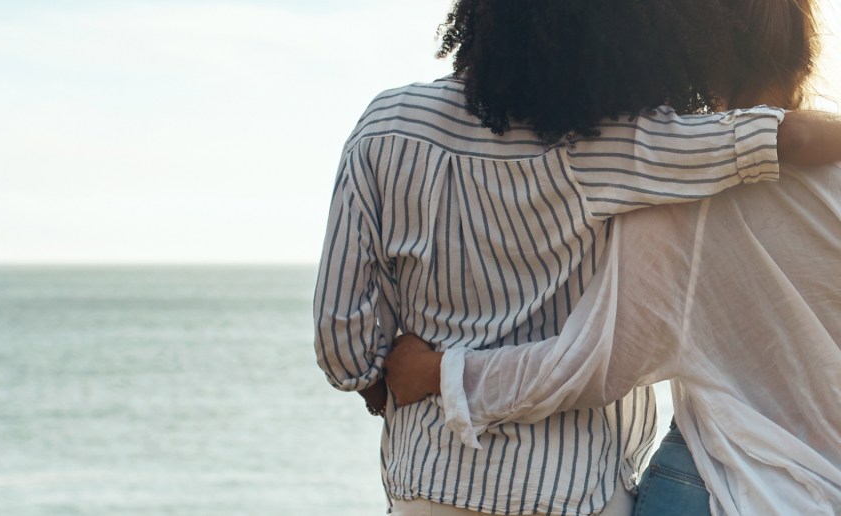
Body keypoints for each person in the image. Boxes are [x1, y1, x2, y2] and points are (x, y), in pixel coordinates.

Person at [313, 1, 841, 515]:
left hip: (429, 480)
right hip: (573, 490)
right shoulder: (622, 148)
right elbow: (778, 136)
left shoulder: (386, 127)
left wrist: (409, 378)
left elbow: (343, 338)